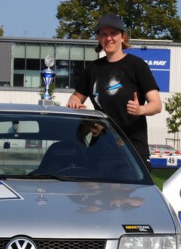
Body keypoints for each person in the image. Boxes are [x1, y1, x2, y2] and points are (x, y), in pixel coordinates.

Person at [66, 14, 162, 168]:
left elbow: (157, 105)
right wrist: (76, 105)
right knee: (94, 191)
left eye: (113, 34)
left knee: (130, 192)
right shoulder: (92, 69)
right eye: (104, 34)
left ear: (123, 37)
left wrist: (140, 109)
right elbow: (76, 98)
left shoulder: (137, 65)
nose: (108, 38)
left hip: (132, 149)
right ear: (98, 38)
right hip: (101, 149)